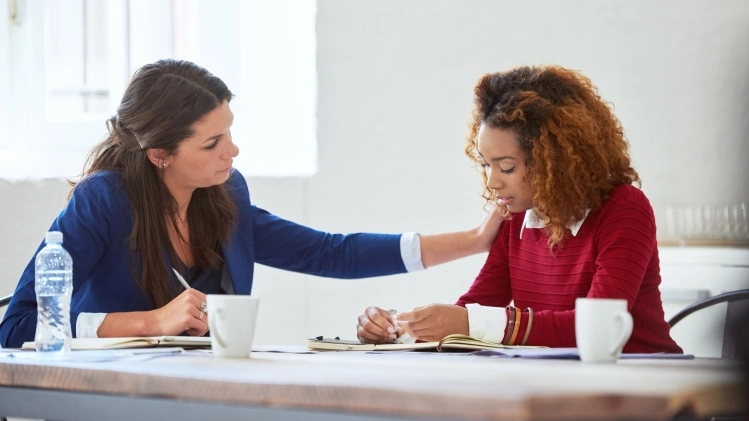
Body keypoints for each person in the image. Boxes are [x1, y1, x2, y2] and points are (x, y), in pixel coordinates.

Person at [0, 59, 503, 349]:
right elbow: (18, 325)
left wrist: (476, 241)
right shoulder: (102, 201)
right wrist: (150, 321)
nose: (233, 151)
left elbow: (330, 253)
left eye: (230, 132)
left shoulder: (225, 195)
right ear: (160, 154)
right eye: (212, 143)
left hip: (203, 397)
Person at [357, 65, 682, 353]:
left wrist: (469, 323)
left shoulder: (624, 209)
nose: (492, 182)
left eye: (507, 167)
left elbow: (595, 327)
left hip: (645, 382)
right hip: (563, 387)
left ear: (554, 160)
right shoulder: (513, 218)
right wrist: (400, 329)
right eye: (486, 165)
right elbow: (474, 312)